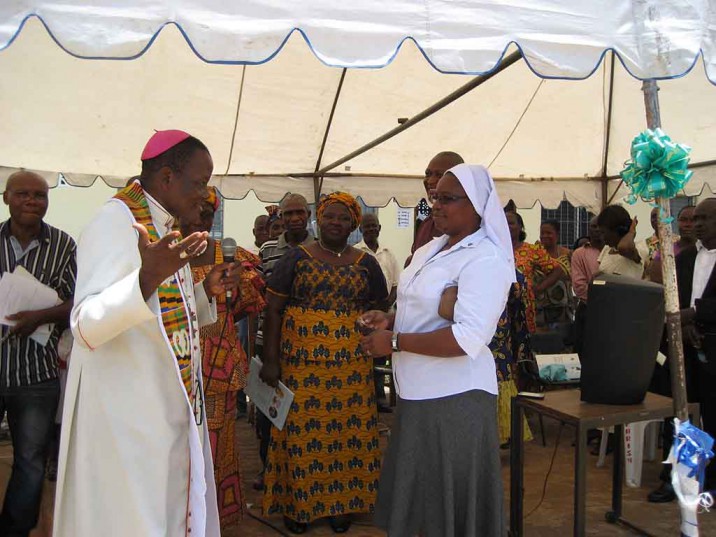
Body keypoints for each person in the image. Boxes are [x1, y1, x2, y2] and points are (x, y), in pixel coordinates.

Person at [54, 130, 240, 537]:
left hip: (165, 412)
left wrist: (203, 290)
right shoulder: (114, 222)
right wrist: (147, 276)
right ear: (168, 178)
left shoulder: (162, 223)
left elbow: (159, 310)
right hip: (129, 422)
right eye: (199, 183)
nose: (205, 196)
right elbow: (85, 324)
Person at [361, 164, 514, 537]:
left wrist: (394, 343)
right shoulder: (431, 247)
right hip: (418, 393)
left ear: (476, 205)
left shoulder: (486, 259)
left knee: (451, 509)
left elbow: (467, 338)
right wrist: (391, 320)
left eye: (448, 199)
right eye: (435, 199)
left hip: (455, 398)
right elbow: (422, 310)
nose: (437, 206)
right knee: (427, 505)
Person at [260, 192, 388, 534]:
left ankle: (342, 506)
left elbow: (379, 309)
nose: (335, 223)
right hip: (301, 367)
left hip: (350, 370)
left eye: (343, 218)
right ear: (320, 219)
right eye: (329, 216)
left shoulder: (366, 264)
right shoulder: (296, 259)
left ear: (354, 225)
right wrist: (270, 361)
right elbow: (272, 310)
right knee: (300, 436)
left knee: (347, 437)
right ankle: (297, 507)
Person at [182, 187, 266, 532]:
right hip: (175, 365)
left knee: (217, 450)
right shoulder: (165, 252)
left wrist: (235, 284)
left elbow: (251, 302)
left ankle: (213, 520)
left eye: (207, 212)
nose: (201, 217)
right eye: (195, 209)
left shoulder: (229, 256)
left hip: (218, 369)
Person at [0, 171, 76, 536]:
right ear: (6, 198)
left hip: (36, 374)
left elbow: (79, 302)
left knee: (30, 462)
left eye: (40, 195)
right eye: (23, 194)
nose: (32, 201)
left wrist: (40, 317)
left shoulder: (65, 246)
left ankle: (15, 530)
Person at [647, 197, 716, 502]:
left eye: (704, 218)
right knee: (679, 417)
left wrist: (694, 314)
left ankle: (710, 482)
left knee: (713, 419)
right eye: (694, 218)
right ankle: (677, 480)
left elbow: (695, 307)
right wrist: (683, 324)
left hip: (713, 350)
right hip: (684, 349)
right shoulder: (685, 258)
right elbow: (671, 299)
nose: (697, 224)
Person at [253, 193, 315, 491]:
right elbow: (262, 297)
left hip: (308, 345)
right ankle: (269, 471)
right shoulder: (266, 250)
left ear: (308, 214)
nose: (294, 218)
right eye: (288, 213)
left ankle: (302, 476)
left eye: (299, 213)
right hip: (271, 341)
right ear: (280, 218)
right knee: (269, 413)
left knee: (304, 414)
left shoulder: (321, 249)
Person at [356, 213, 399, 413]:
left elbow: (396, 284)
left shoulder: (388, 254)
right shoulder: (355, 253)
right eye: (367, 227)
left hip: (385, 314)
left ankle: (381, 397)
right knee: (364, 356)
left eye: (374, 226)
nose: (371, 230)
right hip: (364, 315)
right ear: (360, 229)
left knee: (381, 356)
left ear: (379, 228)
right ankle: (364, 397)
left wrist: (385, 307)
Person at [505, 210, 564, 333]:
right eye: (504, 222)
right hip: (499, 307)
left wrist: (538, 289)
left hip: (524, 307)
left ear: (520, 227)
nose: (507, 226)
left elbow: (557, 270)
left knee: (522, 342)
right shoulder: (492, 249)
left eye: (511, 223)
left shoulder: (532, 250)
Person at [409, 151, 464, 256]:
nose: (430, 181)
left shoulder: (464, 225)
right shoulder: (427, 223)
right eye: (428, 174)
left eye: (439, 175)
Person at [570, 217, 605, 354]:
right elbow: (578, 286)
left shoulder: (615, 251)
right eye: (593, 226)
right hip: (588, 309)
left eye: (599, 226)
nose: (597, 230)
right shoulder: (579, 254)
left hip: (613, 310)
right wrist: (600, 299)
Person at [535, 219, 573, 328]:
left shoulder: (567, 254)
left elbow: (572, 277)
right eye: (542, 233)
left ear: (557, 235)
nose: (544, 236)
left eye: (549, 233)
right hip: (540, 308)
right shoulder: (534, 253)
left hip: (562, 309)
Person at [596, 205, 649, 279]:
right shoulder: (606, 249)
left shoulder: (639, 248)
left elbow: (623, 248)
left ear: (618, 230)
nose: (602, 237)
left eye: (603, 232)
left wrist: (631, 232)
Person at [648, 205, 696, 284]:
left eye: (693, 220)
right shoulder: (666, 251)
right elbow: (657, 282)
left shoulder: (707, 251)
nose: (688, 224)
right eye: (683, 220)